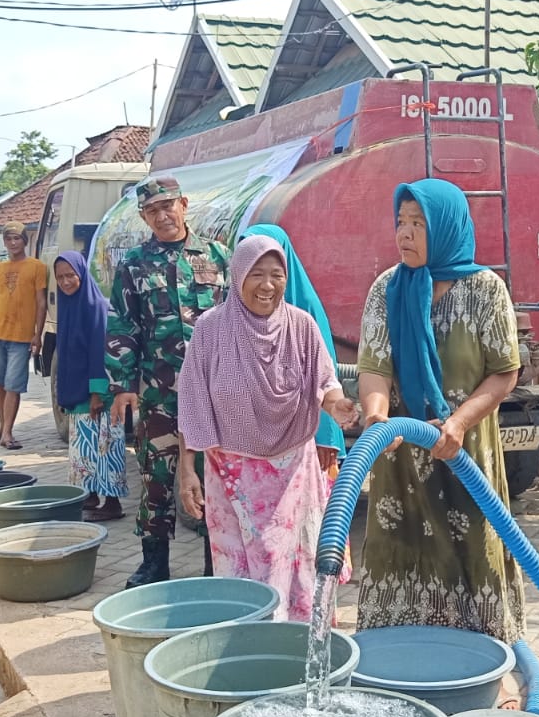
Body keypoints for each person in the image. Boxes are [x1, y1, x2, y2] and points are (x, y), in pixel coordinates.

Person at [355, 178, 526, 648]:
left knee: (477, 549)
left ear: (445, 226)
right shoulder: (386, 288)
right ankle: (397, 659)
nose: (405, 234)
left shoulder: (485, 290)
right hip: (402, 456)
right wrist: (376, 417)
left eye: (418, 223)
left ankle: (496, 666)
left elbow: (503, 373)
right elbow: (374, 364)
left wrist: (458, 423)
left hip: (465, 455)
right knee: (401, 548)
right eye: (400, 222)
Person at [175, 235, 359, 620]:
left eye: (277, 275)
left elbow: (324, 381)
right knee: (242, 574)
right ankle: (252, 652)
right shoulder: (210, 330)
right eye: (256, 274)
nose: (268, 285)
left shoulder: (302, 326)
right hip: (230, 477)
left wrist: (336, 405)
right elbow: (192, 404)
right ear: (238, 275)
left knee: (301, 568)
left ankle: (304, 651)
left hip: (295, 473)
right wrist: (186, 469)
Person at [106, 175, 231, 587]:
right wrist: (123, 385)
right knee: (156, 477)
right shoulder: (134, 265)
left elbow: (238, 321)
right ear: (144, 216)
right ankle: (153, 562)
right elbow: (123, 327)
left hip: (215, 395)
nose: (162, 216)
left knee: (216, 476)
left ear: (184, 204)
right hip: (160, 395)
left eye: (167, 206)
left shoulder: (218, 257)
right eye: (152, 210)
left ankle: (219, 562)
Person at [238, 224, 347, 472]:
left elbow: (325, 376)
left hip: (301, 437)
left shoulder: (304, 312)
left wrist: (326, 437)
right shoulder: (233, 311)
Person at [52, 251, 128, 521]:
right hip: (79, 392)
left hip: (99, 394)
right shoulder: (68, 305)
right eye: (60, 278)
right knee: (84, 448)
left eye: (70, 275)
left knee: (106, 445)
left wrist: (97, 392)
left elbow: (99, 352)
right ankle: (91, 494)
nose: (65, 282)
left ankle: (112, 503)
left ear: (82, 274)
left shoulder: (95, 306)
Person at [0, 221, 48, 450]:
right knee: (1, 384)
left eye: (17, 238)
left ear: (24, 241)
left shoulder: (37, 267)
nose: (13, 243)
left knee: (13, 385)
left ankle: (8, 432)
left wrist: (38, 335)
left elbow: (41, 303)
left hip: (22, 338)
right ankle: (3, 428)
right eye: (8, 239)